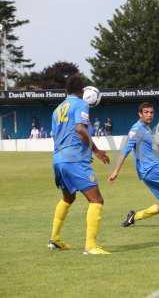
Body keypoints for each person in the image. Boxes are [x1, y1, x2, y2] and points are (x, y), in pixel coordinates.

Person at [48, 74, 111, 255]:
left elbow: (58, 134)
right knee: (96, 200)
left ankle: (55, 239)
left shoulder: (57, 109)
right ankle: (90, 246)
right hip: (74, 159)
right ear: (82, 90)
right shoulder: (81, 104)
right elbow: (80, 129)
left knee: (68, 198)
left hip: (58, 159)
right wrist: (96, 151)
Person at [108, 102, 159, 229]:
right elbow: (125, 150)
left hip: (149, 171)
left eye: (151, 112)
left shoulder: (146, 128)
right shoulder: (137, 129)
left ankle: (134, 217)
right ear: (140, 114)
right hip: (152, 169)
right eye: (146, 112)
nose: (149, 115)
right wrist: (116, 171)